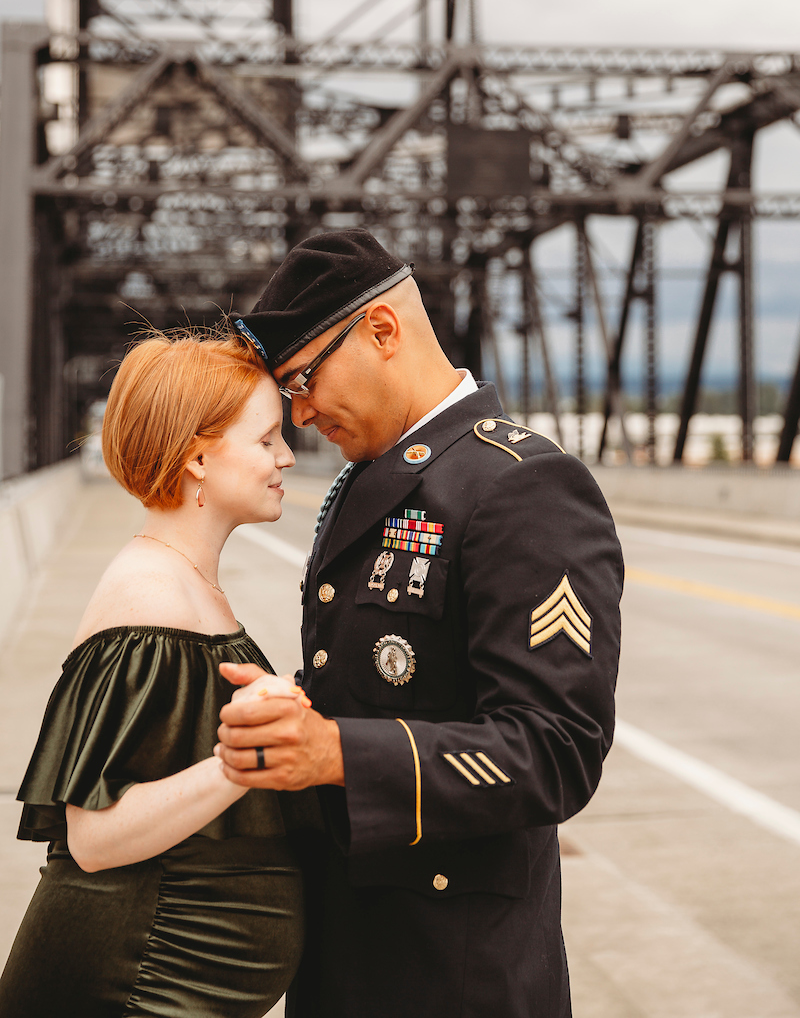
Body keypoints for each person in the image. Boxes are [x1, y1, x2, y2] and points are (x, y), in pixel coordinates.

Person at [218, 229, 624, 1018]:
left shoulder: (523, 486)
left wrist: (338, 754)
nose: (299, 414)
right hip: (352, 949)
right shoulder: (377, 477)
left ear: (381, 330)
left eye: (304, 379)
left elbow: (557, 749)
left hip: (457, 969)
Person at [0, 331, 310, 1018]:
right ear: (199, 456)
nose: (286, 457)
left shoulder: (185, 588)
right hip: (130, 985)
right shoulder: (149, 600)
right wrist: (243, 762)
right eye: (265, 441)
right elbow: (94, 836)